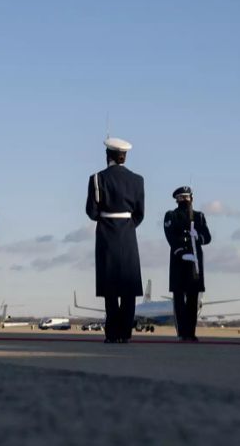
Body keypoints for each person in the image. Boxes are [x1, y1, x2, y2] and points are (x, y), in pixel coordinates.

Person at [86, 137, 145, 343]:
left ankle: (112, 333)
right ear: (124, 156)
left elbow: (91, 212)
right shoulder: (138, 180)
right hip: (128, 234)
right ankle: (125, 333)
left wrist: (107, 221)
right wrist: (126, 226)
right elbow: (140, 214)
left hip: (106, 233)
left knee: (110, 287)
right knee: (128, 288)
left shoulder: (97, 178)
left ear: (107, 155)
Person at [163, 186, 212, 342]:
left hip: (195, 263)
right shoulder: (171, 215)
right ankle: (181, 332)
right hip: (179, 261)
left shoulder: (199, 216)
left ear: (191, 198)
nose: (184, 200)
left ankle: (190, 332)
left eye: (187, 197)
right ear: (176, 199)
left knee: (193, 299)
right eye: (181, 198)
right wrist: (182, 252)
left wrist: (198, 237)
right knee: (179, 299)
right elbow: (170, 236)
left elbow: (208, 237)